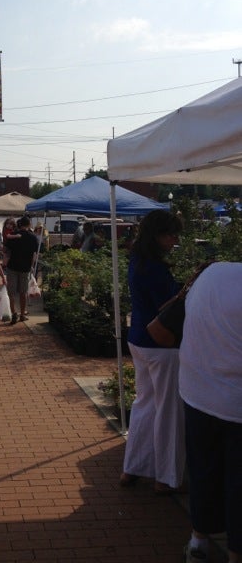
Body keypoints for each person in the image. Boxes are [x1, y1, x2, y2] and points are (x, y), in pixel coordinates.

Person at [178, 262, 242, 563]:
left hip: (197, 394)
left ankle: (199, 542)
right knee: (237, 483)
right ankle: (234, 554)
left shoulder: (212, 272)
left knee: (203, 472)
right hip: (234, 404)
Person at [120, 209, 185, 493]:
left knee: (144, 404)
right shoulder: (156, 268)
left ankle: (133, 467)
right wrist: (185, 291)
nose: (175, 239)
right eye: (171, 234)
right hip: (162, 344)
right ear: (158, 235)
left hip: (139, 339)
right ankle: (166, 477)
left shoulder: (137, 259)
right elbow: (167, 305)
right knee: (168, 410)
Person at [4, 216, 38, 325]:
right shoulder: (33, 238)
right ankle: (22, 314)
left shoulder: (14, 236)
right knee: (23, 292)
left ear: (20, 224)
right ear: (29, 225)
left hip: (12, 267)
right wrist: (31, 266)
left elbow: (6, 251)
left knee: (11, 293)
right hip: (25, 268)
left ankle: (14, 313)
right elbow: (34, 255)